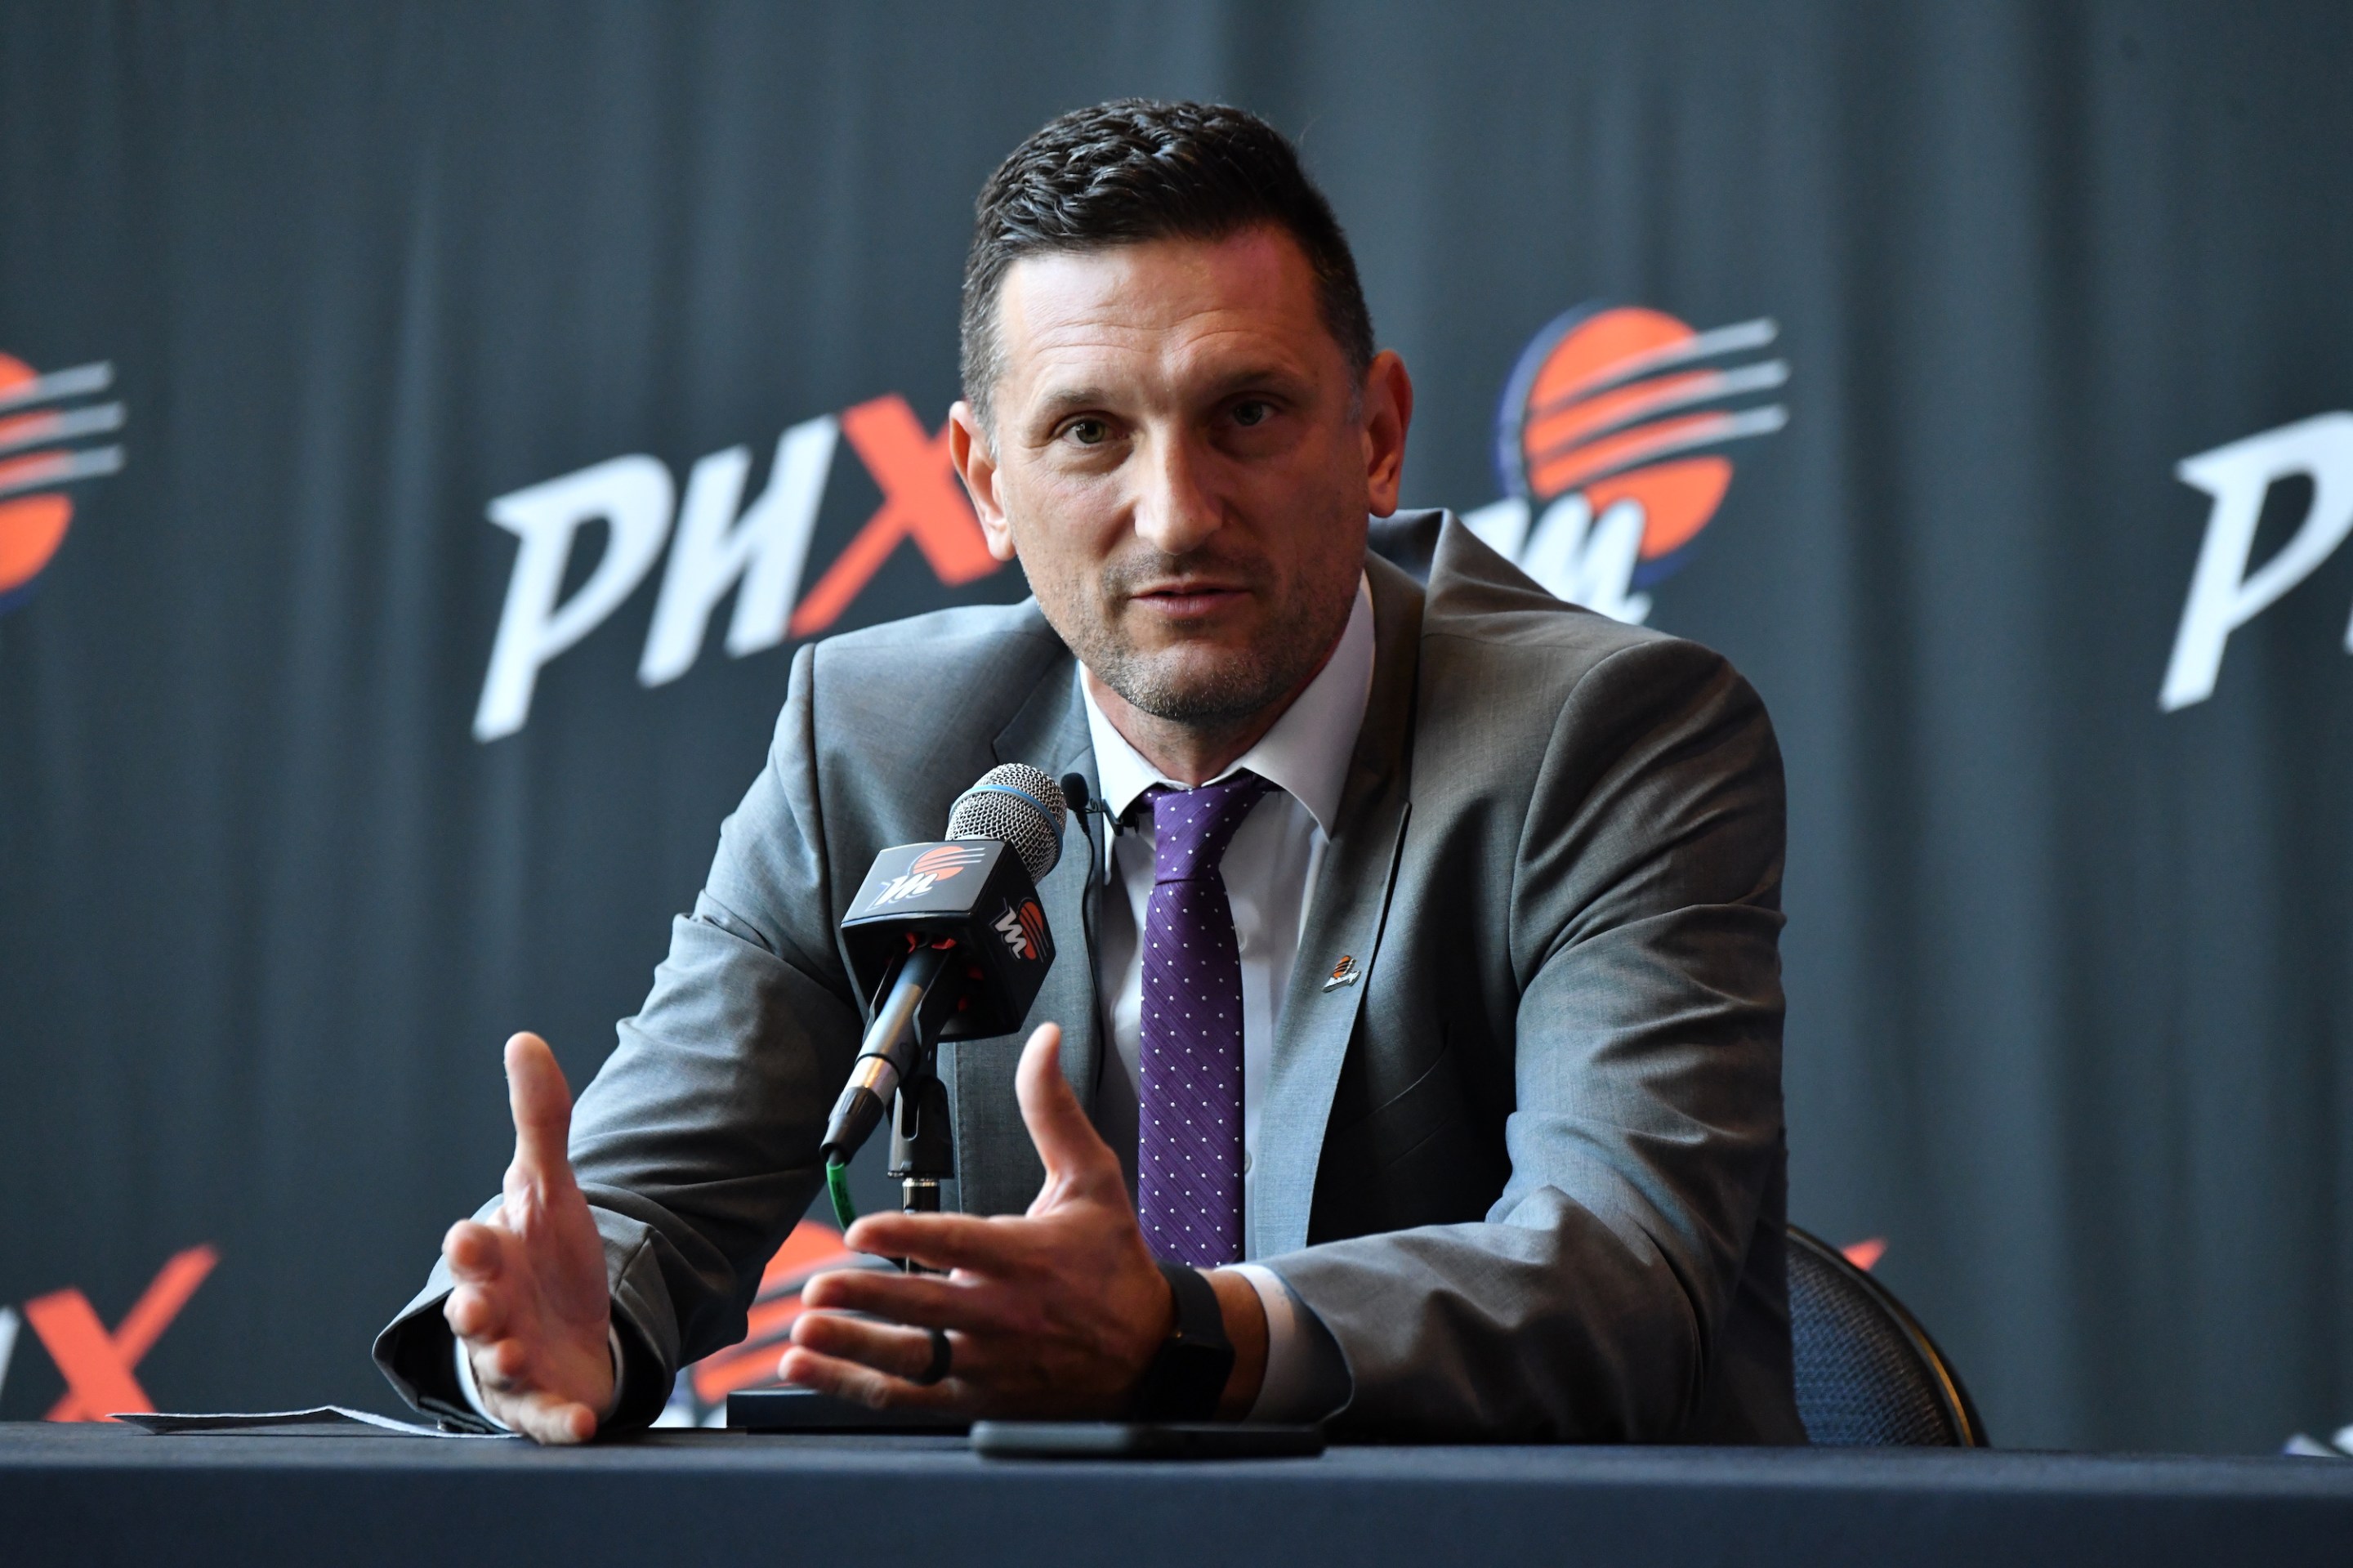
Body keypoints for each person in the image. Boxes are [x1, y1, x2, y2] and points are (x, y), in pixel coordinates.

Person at [375, 99, 1801, 1445]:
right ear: (985, 481)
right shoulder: (874, 742)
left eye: (1246, 413)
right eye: (1087, 432)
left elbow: (1625, 1275)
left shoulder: (1613, 735)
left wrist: (1186, 1332)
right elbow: (634, 1204)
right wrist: (572, 1332)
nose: (1175, 513)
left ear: (1374, 436)